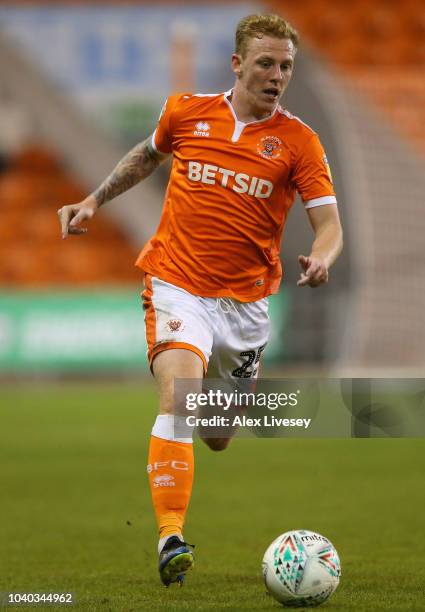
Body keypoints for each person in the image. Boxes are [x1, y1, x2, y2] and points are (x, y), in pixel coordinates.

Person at [57, 13, 343, 587]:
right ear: (237, 64)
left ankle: (222, 393)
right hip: (176, 282)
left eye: (286, 66)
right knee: (179, 398)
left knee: (217, 433)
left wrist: (322, 257)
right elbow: (145, 154)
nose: (277, 75)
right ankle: (170, 537)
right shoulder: (186, 112)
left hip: (247, 307)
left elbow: (330, 225)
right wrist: (93, 199)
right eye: (266, 63)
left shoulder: (299, 142)